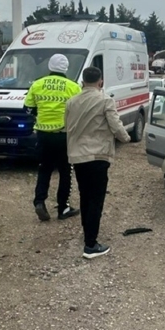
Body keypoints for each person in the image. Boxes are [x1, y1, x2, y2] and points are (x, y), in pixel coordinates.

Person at [65, 66, 131, 259]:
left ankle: (87, 232)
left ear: (82, 82)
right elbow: (116, 125)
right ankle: (90, 245)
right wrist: (126, 138)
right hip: (98, 156)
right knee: (96, 199)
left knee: (85, 196)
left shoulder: (71, 102)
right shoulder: (105, 100)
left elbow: (67, 126)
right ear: (100, 82)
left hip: (78, 156)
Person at [24, 54, 82, 222]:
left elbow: (27, 109)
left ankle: (40, 201)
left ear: (50, 66)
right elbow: (78, 111)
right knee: (65, 172)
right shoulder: (73, 87)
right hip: (64, 136)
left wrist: (40, 114)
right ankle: (63, 208)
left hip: (42, 135)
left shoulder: (37, 84)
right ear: (66, 68)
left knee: (44, 169)